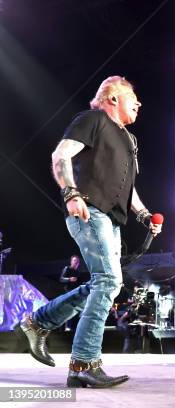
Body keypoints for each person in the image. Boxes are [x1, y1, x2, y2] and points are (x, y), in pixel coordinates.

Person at [14, 76, 162, 388]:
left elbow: (128, 189)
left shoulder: (130, 140)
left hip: (113, 218)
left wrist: (144, 214)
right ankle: (83, 362)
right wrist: (71, 193)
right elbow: (61, 155)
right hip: (89, 209)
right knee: (108, 281)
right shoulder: (93, 119)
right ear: (112, 99)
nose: (139, 103)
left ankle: (39, 323)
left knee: (104, 283)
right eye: (132, 97)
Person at [59, 255, 82, 331]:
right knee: (68, 309)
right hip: (68, 292)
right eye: (74, 260)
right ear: (71, 261)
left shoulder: (78, 272)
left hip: (76, 293)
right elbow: (61, 279)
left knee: (76, 310)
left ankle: (74, 327)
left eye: (77, 261)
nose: (76, 262)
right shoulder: (67, 268)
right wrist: (69, 279)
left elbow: (79, 283)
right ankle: (66, 327)